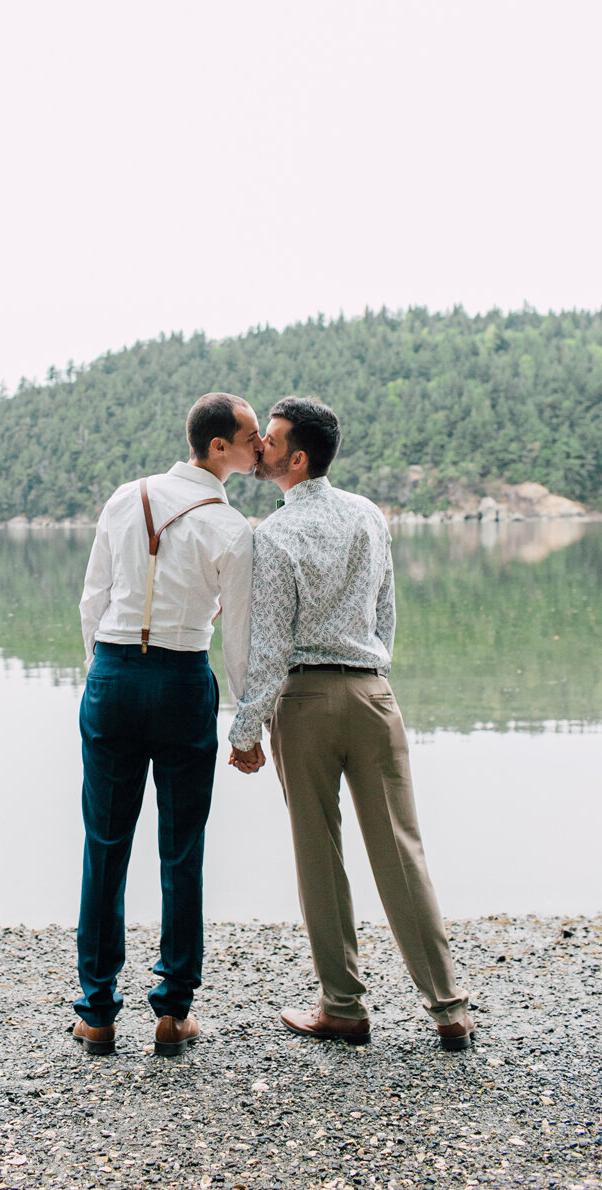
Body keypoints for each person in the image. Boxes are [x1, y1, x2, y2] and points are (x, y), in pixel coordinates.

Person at [229, 396, 474, 1050]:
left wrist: (245, 729)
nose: (260, 448)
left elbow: (271, 646)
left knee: (319, 853)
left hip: (304, 704)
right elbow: (385, 614)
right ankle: (448, 1009)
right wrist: (373, 670)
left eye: (270, 441)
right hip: (372, 696)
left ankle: (343, 1006)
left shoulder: (273, 536)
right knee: (402, 851)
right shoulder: (368, 515)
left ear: (296, 458)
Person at [74, 392, 262, 1056]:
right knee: (181, 852)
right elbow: (238, 640)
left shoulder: (126, 498)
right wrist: (248, 725)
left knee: (105, 847)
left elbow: (92, 600)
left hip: (115, 675)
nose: (260, 446)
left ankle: (96, 1013)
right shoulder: (232, 529)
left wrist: (105, 676)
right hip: (183, 681)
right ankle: (172, 1010)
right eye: (251, 436)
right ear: (219, 448)